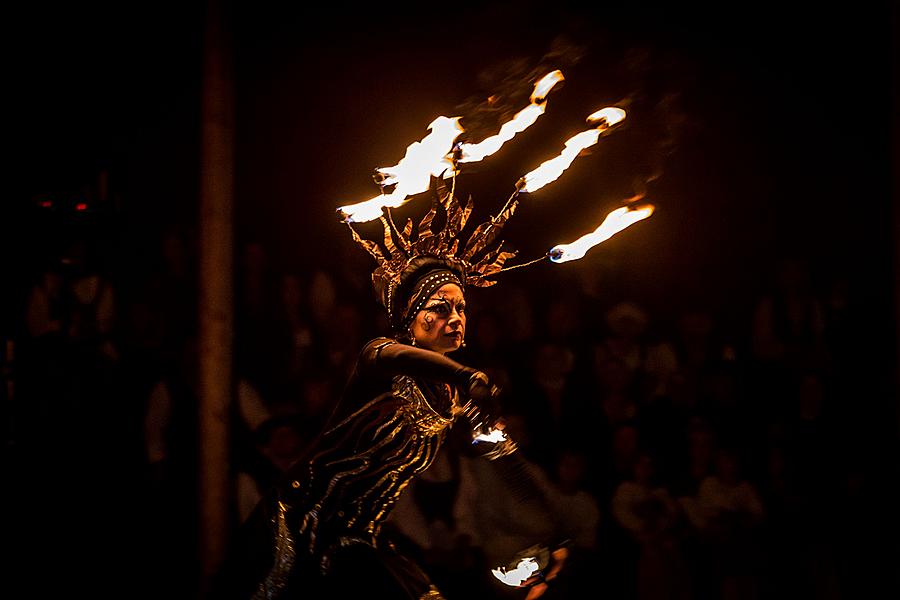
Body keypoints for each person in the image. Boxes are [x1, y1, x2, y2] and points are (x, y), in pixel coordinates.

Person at [211, 185, 570, 600]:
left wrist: (554, 526)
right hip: (303, 526)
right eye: (439, 307)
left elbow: (505, 457)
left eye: (461, 308)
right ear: (410, 316)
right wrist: (468, 376)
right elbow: (408, 361)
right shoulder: (379, 358)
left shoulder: (453, 398)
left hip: (366, 540)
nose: (455, 318)